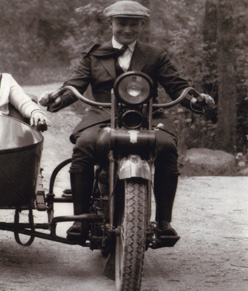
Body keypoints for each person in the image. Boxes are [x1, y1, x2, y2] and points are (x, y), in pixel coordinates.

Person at [39, 1, 214, 242]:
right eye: (122, 23)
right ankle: (80, 219)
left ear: (142, 25)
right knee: (84, 145)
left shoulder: (155, 55)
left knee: (166, 146)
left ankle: (164, 222)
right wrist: (56, 98)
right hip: (102, 115)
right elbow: (75, 85)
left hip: (147, 116)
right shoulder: (94, 55)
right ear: (111, 23)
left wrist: (195, 101)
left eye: (134, 24)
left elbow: (178, 86)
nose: (127, 29)